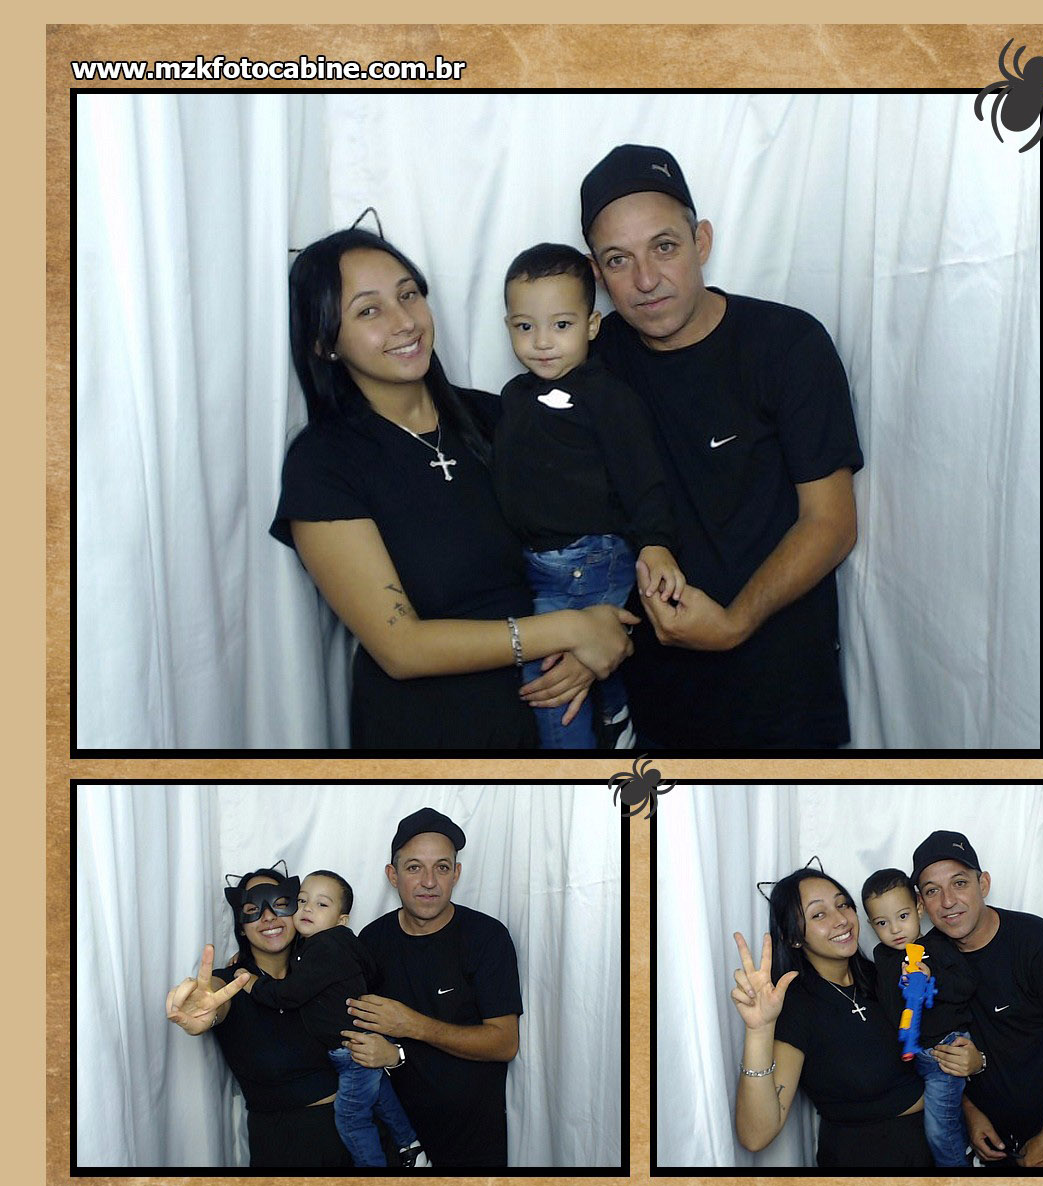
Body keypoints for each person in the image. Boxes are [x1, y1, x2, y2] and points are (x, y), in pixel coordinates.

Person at [271, 226, 636, 750]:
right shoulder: (322, 463)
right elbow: (401, 647)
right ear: (324, 342)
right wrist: (571, 631)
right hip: (433, 738)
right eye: (369, 310)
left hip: (558, 722)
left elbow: (599, 536)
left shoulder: (499, 416)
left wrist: (592, 644)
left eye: (408, 295)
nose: (404, 321)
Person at [581, 144, 863, 749]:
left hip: (783, 700)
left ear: (701, 240)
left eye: (664, 246)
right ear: (596, 274)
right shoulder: (592, 368)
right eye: (619, 260)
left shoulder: (787, 344)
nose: (646, 280)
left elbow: (831, 523)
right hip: (657, 705)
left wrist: (735, 623)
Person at [493, 242, 686, 749]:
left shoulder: (607, 396)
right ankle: (616, 716)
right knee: (573, 671)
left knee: (550, 682)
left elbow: (643, 478)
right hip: (537, 562)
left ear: (592, 325)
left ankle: (571, 772)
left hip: (589, 560)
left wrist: (656, 543)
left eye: (561, 325)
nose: (542, 342)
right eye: (525, 326)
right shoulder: (513, 397)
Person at [728, 865, 981, 1167]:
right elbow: (756, 1136)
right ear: (794, 937)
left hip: (938, 1149)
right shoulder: (796, 1006)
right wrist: (759, 1030)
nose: (841, 920)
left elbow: (937, 1043)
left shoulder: (882, 977)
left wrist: (973, 1087)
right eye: (818, 914)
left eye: (842, 904)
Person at [339, 808, 522, 1168]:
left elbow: (505, 1043)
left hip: (472, 1146)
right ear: (392, 875)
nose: (428, 882)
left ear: (456, 874)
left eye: (441, 867)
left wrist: (412, 1025)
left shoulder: (486, 937)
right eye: (414, 868)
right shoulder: (371, 941)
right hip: (395, 1143)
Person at [912, 831, 1043, 1168]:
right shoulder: (924, 959)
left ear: (983, 884)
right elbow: (930, 1051)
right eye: (933, 891)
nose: (948, 901)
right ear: (921, 903)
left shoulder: (1038, 942)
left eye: (959, 883)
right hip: (983, 1143)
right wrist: (969, 1112)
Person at [162, 865, 349, 1168]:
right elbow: (216, 998)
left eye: (280, 903)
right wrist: (205, 1007)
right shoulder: (230, 984)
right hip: (287, 1150)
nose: (268, 916)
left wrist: (391, 1052)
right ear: (241, 926)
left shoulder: (325, 972)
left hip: (362, 1135)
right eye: (252, 909)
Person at [237, 869, 424, 1167]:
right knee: (381, 1096)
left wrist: (252, 984)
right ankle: (410, 1145)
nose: (308, 909)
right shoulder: (328, 948)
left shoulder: (326, 948)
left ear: (341, 920)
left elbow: (287, 995)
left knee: (352, 1120)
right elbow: (371, 973)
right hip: (352, 1053)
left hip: (352, 1052)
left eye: (321, 904)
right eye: (302, 901)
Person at [861, 867, 980, 1168]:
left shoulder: (937, 945)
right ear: (871, 925)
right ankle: (965, 1151)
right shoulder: (882, 957)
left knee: (938, 1131)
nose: (895, 929)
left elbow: (967, 985)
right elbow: (888, 1007)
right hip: (913, 1057)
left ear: (918, 907)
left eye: (902, 916)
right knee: (939, 1125)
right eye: (882, 923)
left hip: (944, 1052)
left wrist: (931, 978)